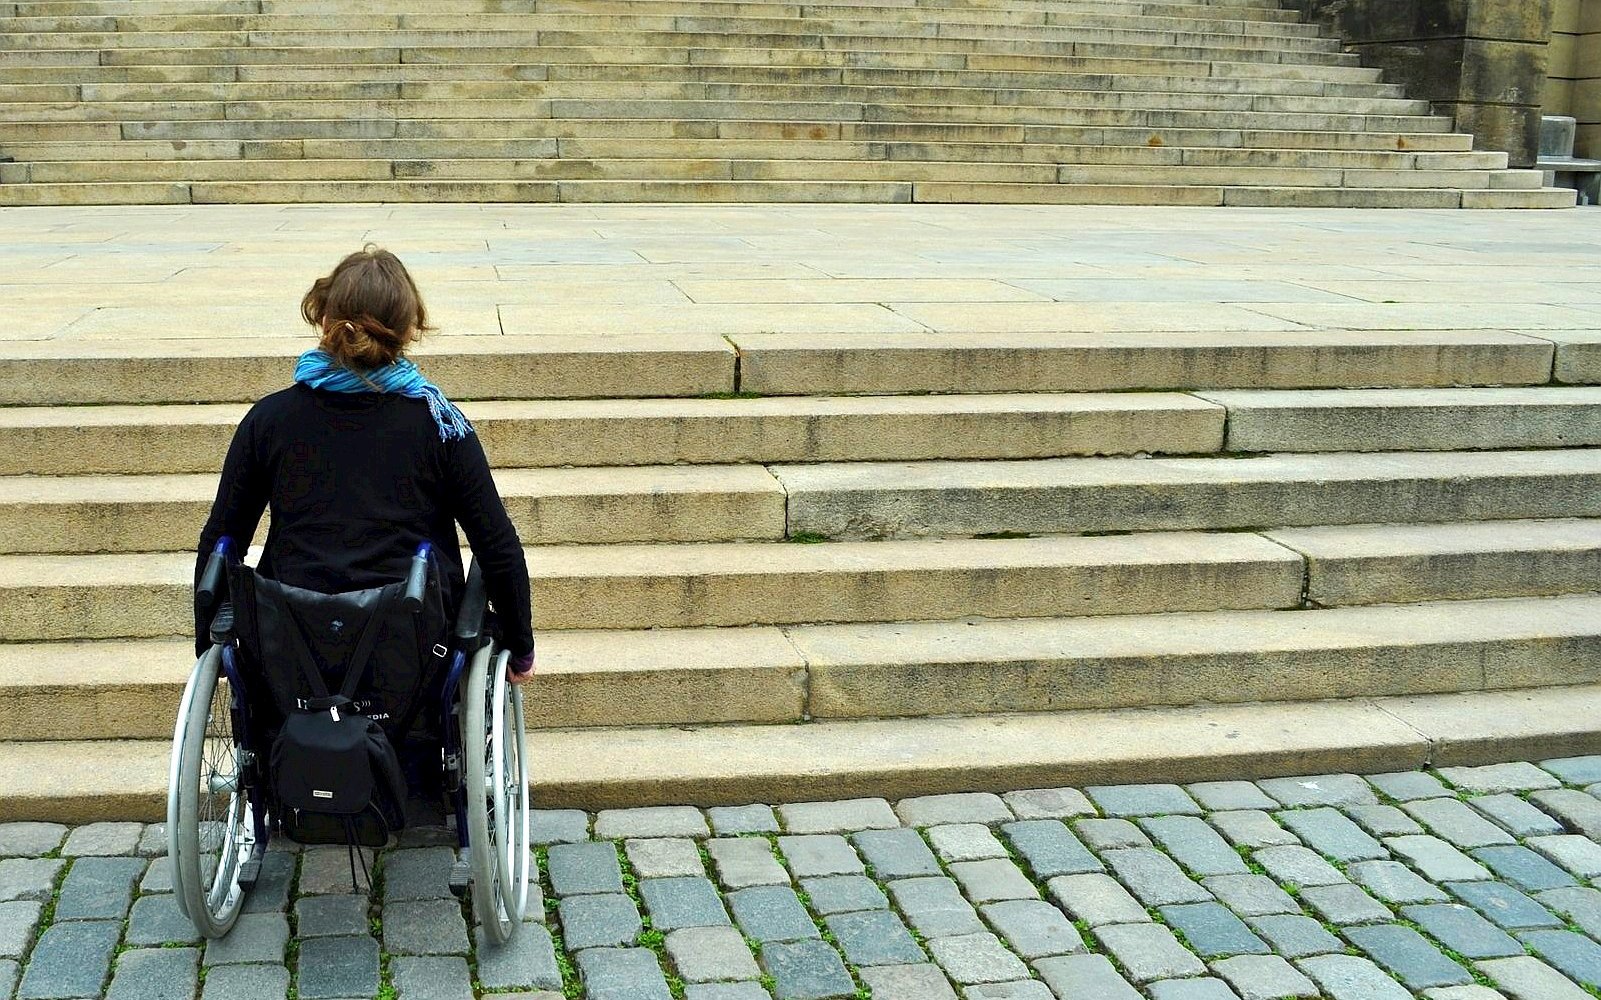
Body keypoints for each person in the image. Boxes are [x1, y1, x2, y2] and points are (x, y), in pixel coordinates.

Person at [195, 246, 535, 684]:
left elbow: (222, 537)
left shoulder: (269, 420)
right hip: (413, 648)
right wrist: (520, 649)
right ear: (410, 329)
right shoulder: (440, 424)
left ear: (323, 321)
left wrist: (209, 642)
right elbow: (497, 545)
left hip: (292, 643)